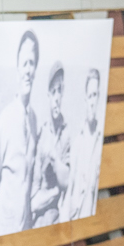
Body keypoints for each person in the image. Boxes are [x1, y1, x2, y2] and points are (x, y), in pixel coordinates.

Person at [0, 29, 40, 238]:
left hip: (24, 235)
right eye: (24, 63)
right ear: (17, 68)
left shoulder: (34, 121)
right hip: (2, 233)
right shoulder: (5, 119)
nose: (28, 70)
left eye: (32, 63)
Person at [30, 61, 71, 228]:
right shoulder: (41, 136)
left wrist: (54, 158)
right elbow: (33, 202)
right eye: (53, 92)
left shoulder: (67, 134)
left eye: (59, 91)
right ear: (48, 94)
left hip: (59, 222)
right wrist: (56, 191)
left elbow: (67, 181)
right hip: (38, 225)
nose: (56, 98)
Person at [61, 66, 104, 224]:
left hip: (90, 220)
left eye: (95, 95)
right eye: (90, 96)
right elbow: (70, 186)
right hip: (73, 217)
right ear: (85, 99)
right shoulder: (77, 141)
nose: (93, 102)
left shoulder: (100, 139)